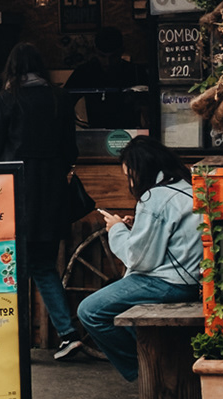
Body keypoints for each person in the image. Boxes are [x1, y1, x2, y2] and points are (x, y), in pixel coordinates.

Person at [0, 42, 88, 360]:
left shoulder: (4, 101)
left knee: (13, 269)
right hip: (52, 196)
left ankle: (12, 340)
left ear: (11, 68)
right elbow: (71, 150)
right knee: (43, 266)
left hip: (16, 196)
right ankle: (68, 334)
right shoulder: (60, 98)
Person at [77, 137, 204, 381]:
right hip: (194, 282)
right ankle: (153, 367)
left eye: (129, 175)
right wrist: (134, 228)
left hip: (168, 284)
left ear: (141, 170)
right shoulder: (187, 186)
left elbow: (139, 259)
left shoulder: (155, 197)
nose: (130, 182)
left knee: (90, 311)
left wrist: (116, 229)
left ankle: (144, 372)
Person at [65, 27, 144, 130]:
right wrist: (78, 124)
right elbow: (64, 102)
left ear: (121, 51)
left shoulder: (136, 72)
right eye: (102, 56)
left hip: (130, 133)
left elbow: (150, 108)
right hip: (96, 132)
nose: (108, 62)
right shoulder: (85, 72)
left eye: (113, 57)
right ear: (95, 51)